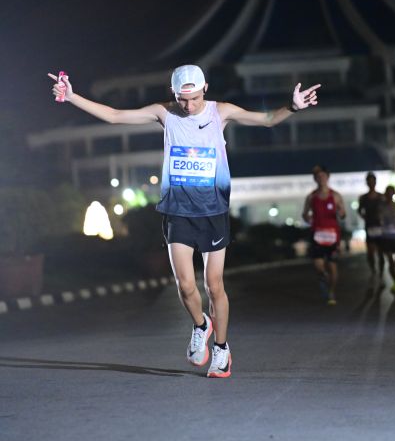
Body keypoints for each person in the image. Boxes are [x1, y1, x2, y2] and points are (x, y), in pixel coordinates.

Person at [49, 65, 320, 377]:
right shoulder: (165, 113)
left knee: (214, 285)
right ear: (173, 94)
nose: (188, 106)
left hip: (213, 211)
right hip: (177, 211)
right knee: (186, 285)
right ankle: (201, 325)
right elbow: (114, 115)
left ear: (205, 88)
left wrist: (292, 107)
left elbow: (268, 119)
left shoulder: (221, 112)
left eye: (193, 98)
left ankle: (221, 349)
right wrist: (72, 97)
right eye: (182, 99)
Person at [302, 165, 346, 306]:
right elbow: (304, 214)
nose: (321, 179)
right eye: (318, 177)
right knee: (319, 266)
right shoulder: (311, 197)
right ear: (315, 179)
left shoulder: (336, 196)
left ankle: (331, 292)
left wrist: (341, 213)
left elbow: (343, 214)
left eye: (323, 176)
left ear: (328, 177)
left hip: (332, 236)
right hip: (317, 235)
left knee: (333, 266)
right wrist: (307, 218)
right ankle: (323, 276)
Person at [358, 172, 385, 281]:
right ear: (367, 183)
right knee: (370, 252)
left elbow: (386, 209)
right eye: (369, 181)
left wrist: (383, 218)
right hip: (369, 226)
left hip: (380, 227)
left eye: (373, 181)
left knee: (381, 252)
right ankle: (373, 270)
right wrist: (364, 217)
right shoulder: (363, 198)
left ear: (375, 182)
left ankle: (381, 273)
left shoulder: (381, 196)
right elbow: (359, 210)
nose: (371, 183)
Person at [378, 185, 395, 295]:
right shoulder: (381, 207)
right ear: (385, 194)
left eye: (392, 192)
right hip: (386, 237)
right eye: (388, 192)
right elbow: (378, 220)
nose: (390, 194)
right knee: (390, 260)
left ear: (394, 193)